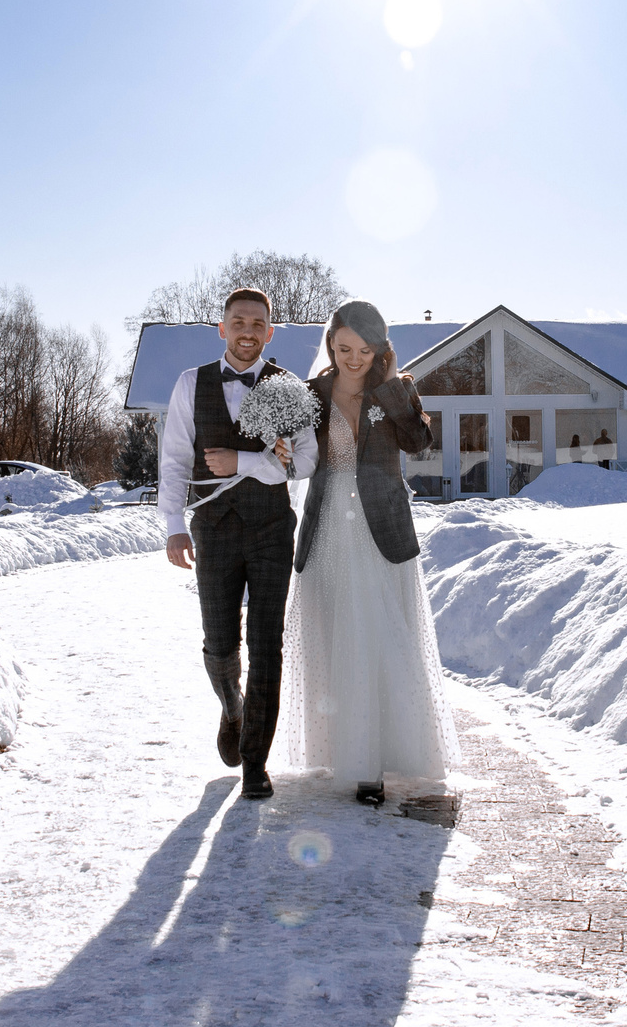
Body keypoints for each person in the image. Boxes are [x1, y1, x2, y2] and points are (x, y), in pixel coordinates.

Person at [283, 299, 453, 806]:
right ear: (330, 345)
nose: (353, 359)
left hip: (383, 526)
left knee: (381, 634)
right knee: (338, 634)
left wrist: (393, 387)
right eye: (343, 348)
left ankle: (379, 760)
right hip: (328, 523)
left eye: (363, 350)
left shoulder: (396, 388)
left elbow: (419, 443)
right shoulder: (312, 393)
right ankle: (351, 758)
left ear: (378, 349)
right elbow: (295, 454)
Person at [160, 287, 317, 801]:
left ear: (270, 333)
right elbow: (175, 461)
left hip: (272, 528)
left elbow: (308, 461)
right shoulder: (191, 384)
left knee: (266, 643)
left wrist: (245, 462)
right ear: (222, 328)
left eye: (258, 324)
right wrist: (173, 526)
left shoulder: (288, 388)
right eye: (238, 321)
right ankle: (232, 704)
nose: (248, 331)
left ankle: (255, 761)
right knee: (219, 641)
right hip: (212, 527)